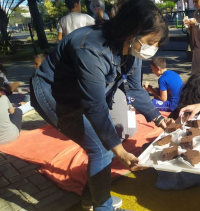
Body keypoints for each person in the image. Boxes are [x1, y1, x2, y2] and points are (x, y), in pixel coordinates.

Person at [30, 0, 171, 210]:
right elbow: (95, 106)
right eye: (152, 41)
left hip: (81, 94)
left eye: (157, 44)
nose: (153, 49)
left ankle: (91, 199)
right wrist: (121, 152)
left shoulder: (133, 49)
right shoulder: (91, 48)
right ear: (132, 31)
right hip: (53, 94)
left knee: (104, 145)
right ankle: (102, 205)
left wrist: (160, 119)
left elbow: (134, 88)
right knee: (102, 148)